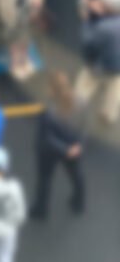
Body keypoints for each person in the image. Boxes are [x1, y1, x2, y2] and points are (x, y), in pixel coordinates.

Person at [31, 71, 87, 220]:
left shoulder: (49, 111)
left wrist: (64, 149)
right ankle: (79, 202)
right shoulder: (81, 102)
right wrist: (78, 145)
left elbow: (47, 137)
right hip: (73, 147)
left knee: (45, 179)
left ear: (52, 89)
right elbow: (84, 126)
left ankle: (40, 210)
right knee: (76, 175)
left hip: (50, 151)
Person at [74, 0, 120, 127]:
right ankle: (108, 115)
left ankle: (75, 107)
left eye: (100, 1)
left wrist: (88, 18)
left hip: (99, 67)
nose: (96, 1)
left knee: (83, 87)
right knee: (114, 93)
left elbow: (87, 42)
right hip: (117, 68)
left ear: (108, 8)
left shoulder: (104, 27)